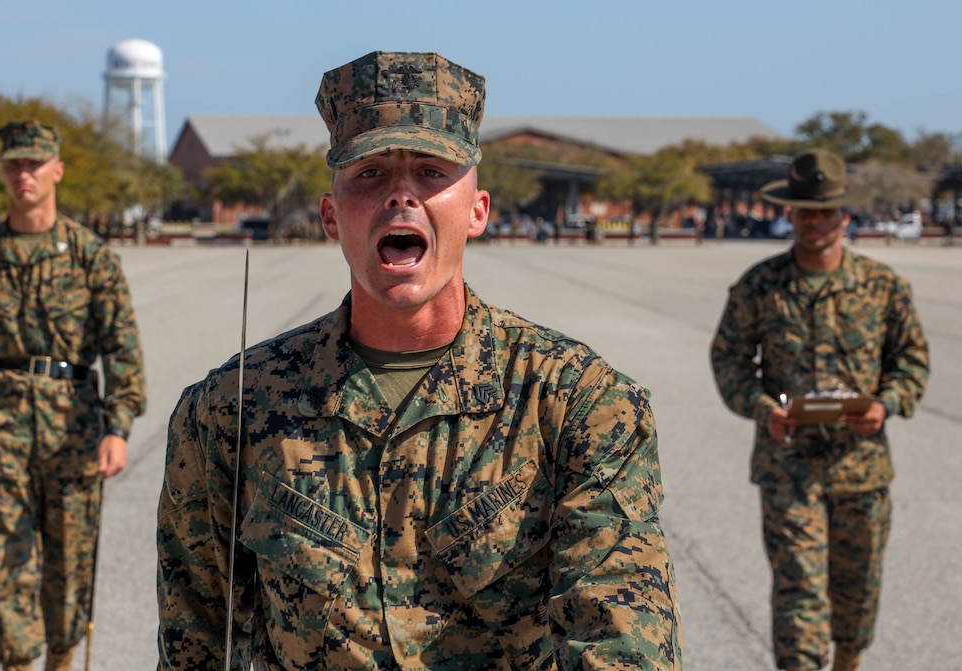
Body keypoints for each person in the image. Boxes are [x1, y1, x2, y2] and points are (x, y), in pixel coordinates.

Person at [156, 51, 681, 670]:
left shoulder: (579, 403)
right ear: (331, 215)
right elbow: (193, 644)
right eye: (370, 173)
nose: (401, 195)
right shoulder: (230, 409)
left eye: (431, 172)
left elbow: (621, 642)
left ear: (478, 210)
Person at [0, 120, 147, 671]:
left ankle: (60, 660)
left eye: (33, 163)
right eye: (13, 163)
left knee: (69, 565)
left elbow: (121, 347)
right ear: (2, 170)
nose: (22, 174)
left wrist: (118, 426)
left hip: (73, 428)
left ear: (57, 169)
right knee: (10, 562)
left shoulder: (90, 256)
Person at [709, 149, 929, 671]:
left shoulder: (883, 287)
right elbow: (729, 359)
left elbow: (911, 359)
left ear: (843, 216)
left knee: (856, 596)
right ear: (790, 214)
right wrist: (763, 408)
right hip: (789, 468)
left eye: (823, 212)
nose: (814, 221)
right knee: (799, 596)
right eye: (804, 211)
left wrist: (886, 404)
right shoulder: (759, 286)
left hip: (862, 468)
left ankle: (848, 659)